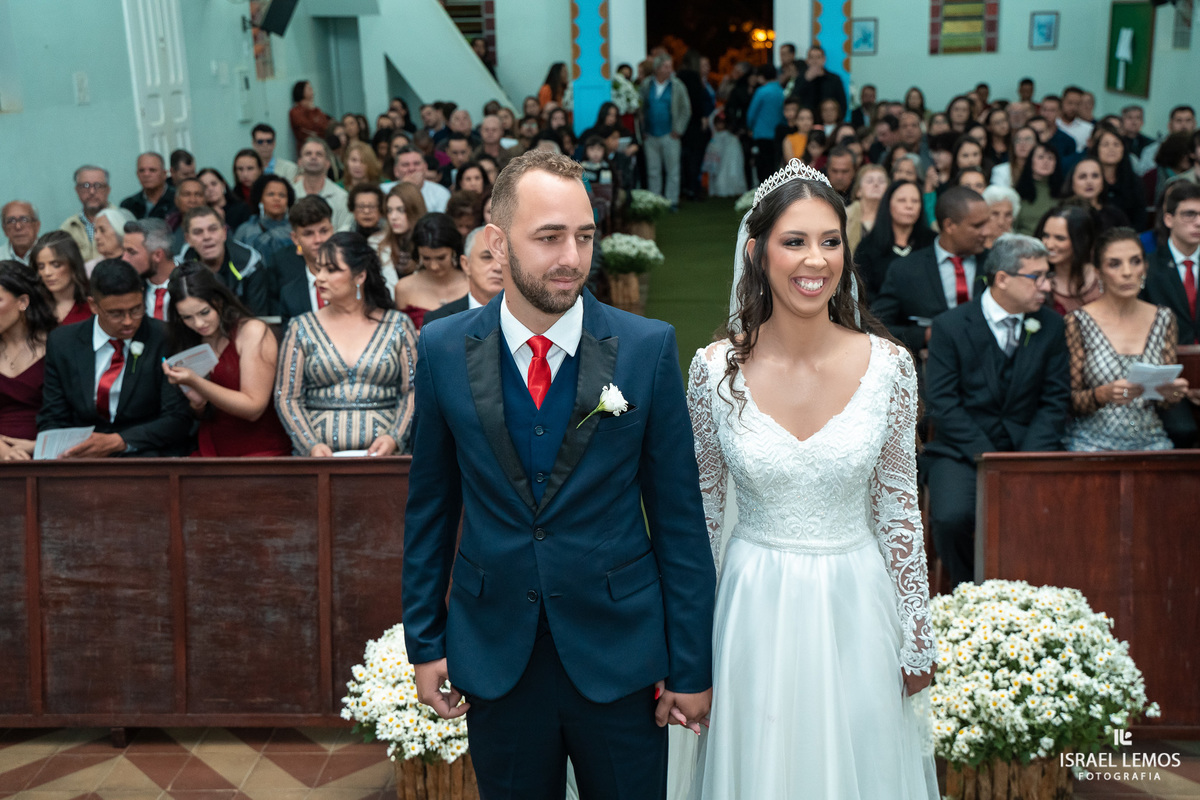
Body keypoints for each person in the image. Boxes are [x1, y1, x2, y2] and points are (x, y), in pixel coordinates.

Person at [402, 148, 715, 799]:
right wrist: (425, 642)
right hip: (497, 655)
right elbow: (431, 508)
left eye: (583, 235)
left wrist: (691, 665)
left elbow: (681, 520)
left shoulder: (646, 347)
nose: (571, 257)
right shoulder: (441, 350)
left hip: (618, 654)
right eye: (548, 237)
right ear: (498, 241)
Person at [685, 160, 934, 799]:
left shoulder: (891, 368)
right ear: (757, 250)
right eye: (794, 241)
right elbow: (704, 515)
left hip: (856, 602)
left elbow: (900, 508)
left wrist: (916, 636)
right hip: (748, 609)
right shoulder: (714, 371)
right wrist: (686, 643)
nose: (814, 260)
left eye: (830, 241)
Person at [924, 234, 1071, 587]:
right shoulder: (951, 326)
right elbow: (943, 403)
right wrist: (987, 455)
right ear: (1002, 279)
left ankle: (1033, 591)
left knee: (1052, 514)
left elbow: (1055, 400)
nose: (1047, 287)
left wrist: (1027, 458)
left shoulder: (1050, 326)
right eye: (1038, 277)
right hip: (960, 450)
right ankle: (969, 592)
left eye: (1048, 276)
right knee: (952, 517)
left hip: (1029, 448)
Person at [275, 232, 417, 456]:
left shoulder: (397, 325)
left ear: (360, 276)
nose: (319, 277)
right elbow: (287, 397)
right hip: (318, 462)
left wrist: (395, 438)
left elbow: (413, 391)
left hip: (387, 461)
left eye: (331, 270)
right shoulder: (301, 327)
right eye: (318, 268)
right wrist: (310, 445)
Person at [38, 258, 192, 457]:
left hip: (148, 453)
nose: (128, 322)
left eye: (136, 309)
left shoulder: (165, 337)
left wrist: (118, 441)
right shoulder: (63, 343)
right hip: (81, 455)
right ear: (93, 306)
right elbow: (53, 416)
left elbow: (178, 418)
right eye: (116, 313)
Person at [1064, 228, 1189, 452]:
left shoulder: (1163, 318)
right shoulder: (1077, 321)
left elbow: (1165, 401)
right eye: (1115, 264)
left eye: (1135, 262)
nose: (1127, 272)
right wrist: (1101, 394)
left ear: (1145, 267)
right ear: (1098, 272)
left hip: (1152, 441)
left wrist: (1173, 394)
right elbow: (1068, 400)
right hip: (1090, 444)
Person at [162, 262, 292, 457]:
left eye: (204, 312)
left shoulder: (251, 331)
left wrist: (195, 381)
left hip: (260, 448)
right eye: (187, 317)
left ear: (219, 301)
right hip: (211, 444)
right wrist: (198, 404)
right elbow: (202, 410)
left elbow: (253, 408)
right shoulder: (189, 339)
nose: (199, 323)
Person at [874, 186, 991, 359]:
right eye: (977, 226)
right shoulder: (906, 269)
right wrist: (925, 335)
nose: (987, 232)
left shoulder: (995, 264)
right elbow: (877, 326)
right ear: (949, 225)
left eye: (986, 223)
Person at [0, 263, 56, 461]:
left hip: (48, 454)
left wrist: (40, 447)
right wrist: (4, 451)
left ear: (23, 301)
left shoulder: (58, 344)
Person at [177, 206, 271, 316]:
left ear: (224, 232)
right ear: (188, 239)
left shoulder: (251, 266)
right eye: (198, 232)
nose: (207, 237)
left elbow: (257, 317)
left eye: (213, 229)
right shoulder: (180, 267)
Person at [855, 179, 936, 301]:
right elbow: (862, 292)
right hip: (879, 315)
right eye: (902, 200)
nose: (909, 206)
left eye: (915, 201)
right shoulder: (868, 246)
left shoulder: (932, 242)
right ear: (888, 204)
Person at [1143, 182, 1200, 345]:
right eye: (1190, 214)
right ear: (1168, 219)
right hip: (1164, 358)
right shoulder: (1147, 267)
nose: (1198, 222)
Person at [392, 213, 469, 330]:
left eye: (441, 258)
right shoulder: (404, 288)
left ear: (454, 251)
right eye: (426, 258)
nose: (434, 266)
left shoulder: (472, 284)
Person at [273, 196, 338, 328]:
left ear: (333, 230)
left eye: (324, 231)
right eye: (308, 234)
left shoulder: (353, 279)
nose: (318, 239)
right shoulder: (289, 295)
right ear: (295, 238)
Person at [640, 54, 692, 211]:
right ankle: (655, 201)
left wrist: (679, 129)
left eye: (670, 66)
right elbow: (640, 108)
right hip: (650, 134)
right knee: (653, 170)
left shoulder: (677, 86)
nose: (670, 70)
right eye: (666, 66)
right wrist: (642, 129)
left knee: (673, 170)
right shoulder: (646, 85)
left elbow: (686, 109)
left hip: (670, 134)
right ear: (657, 68)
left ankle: (672, 201)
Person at [422, 226, 504, 325]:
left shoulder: (525, 317)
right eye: (487, 257)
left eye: (503, 258)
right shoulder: (439, 321)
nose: (498, 267)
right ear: (466, 264)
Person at [1036, 204, 1101, 315]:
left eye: (1060, 238)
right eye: (1046, 236)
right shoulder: (1036, 281)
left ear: (1080, 241)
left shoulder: (1102, 279)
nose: (1049, 244)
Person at [31, 232, 92, 325]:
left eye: (56, 265)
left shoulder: (93, 306)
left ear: (73, 265)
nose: (47, 273)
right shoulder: (33, 309)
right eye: (41, 266)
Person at [233, 174, 296, 262]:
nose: (277, 199)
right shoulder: (245, 230)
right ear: (260, 198)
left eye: (282, 195)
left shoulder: (296, 230)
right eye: (271, 194)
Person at [294, 138, 352, 232]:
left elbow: (344, 233)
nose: (313, 157)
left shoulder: (342, 197)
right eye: (308, 153)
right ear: (299, 162)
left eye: (319, 154)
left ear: (327, 163)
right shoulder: (290, 194)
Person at [122, 218, 176, 321]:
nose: (124, 258)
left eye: (131, 252)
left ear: (157, 255)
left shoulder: (190, 284)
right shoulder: (129, 287)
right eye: (124, 251)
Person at [61, 165, 116, 261]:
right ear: (77, 190)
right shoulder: (67, 228)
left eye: (98, 185)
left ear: (108, 190)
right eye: (85, 186)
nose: (91, 191)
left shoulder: (122, 222)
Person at [375, 183, 427, 281]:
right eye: (389, 210)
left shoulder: (430, 245)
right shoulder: (377, 244)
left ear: (415, 210)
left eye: (401, 210)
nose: (393, 217)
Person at [1064, 157, 1130, 229]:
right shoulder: (1062, 215)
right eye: (1082, 177)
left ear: (1103, 182)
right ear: (1072, 183)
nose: (1089, 182)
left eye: (1095, 176)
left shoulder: (1116, 215)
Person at [747, 64, 786, 183]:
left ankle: (762, 192)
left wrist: (750, 127)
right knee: (773, 166)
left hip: (761, 134)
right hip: (777, 134)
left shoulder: (761, 91)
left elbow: (751, 113)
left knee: (762, 166)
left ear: (762, 76)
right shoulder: (782, 91)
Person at [1013, 142, 1062, 234]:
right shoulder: (1017, 193)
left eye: (1050, 158)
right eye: (1041, 157)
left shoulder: (1063, 193)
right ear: (1031, 161)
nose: (1046, 161)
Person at [790, 44, 846, 122]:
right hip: (806, 123)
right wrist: (805, 80)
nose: (815, 61)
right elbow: (793, 100)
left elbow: (842, 104)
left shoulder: (834, 79)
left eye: (818, 57)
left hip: (829, 123)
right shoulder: (800, 79)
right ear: (807, 60)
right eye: (811, 57)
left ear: (824, 59)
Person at [388, 146, 451, 214]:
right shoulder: (384, 191)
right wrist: (405, 187)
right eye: (405, 165)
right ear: (396, 171)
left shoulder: (441, 193)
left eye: (416, 164)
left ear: (425, 167)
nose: (412, 169)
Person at [844, 163, 888, 253]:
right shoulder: (844, 216)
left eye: (881, 181)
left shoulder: (895, 218)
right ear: (858, 191)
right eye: (869, 181)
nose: (876, 184)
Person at [120, 153, 175, 220]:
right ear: (137, 174)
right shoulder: (128, 205)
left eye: (152, 170)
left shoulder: (178, 200)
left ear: (164, 174)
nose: (146, 174)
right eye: (141, 171)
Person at [198, 167, 251, 231]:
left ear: (223, 185)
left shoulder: (242, 209)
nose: (210, 189)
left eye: (214, 184)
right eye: (204, 186)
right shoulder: (199, 213)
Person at [289, 80, 333, 156]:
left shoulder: (316, 110)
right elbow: (307, 129)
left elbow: (325, 126)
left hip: (322, 147)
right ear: (301, 91)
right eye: (309, 88)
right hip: (306, 150)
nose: (313, 91)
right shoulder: (295, 112)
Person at [84, 208, 131, 274]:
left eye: (102, 230)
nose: (96, 237)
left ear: (119, 231)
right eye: (95, 231)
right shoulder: (89, 269)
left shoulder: (135, 264)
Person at [1, 201, 41, 266]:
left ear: (37, 226)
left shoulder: (54, 254)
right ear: (4, 229)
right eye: (11, 221)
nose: (18, 226)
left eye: (24, 220)